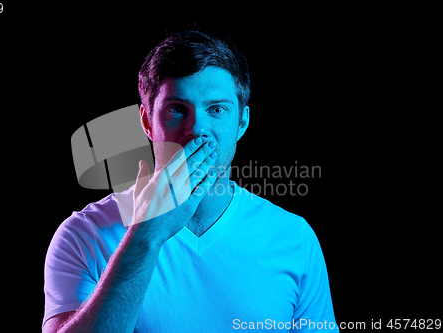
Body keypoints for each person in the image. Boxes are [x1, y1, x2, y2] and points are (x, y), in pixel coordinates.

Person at [43, 30, 338, 332]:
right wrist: (145, 236)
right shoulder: (83, 235)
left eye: (217, 110)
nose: (197, 128)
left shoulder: (294, 237)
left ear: (242, 122)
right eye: (177, 110)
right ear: (147, 121)